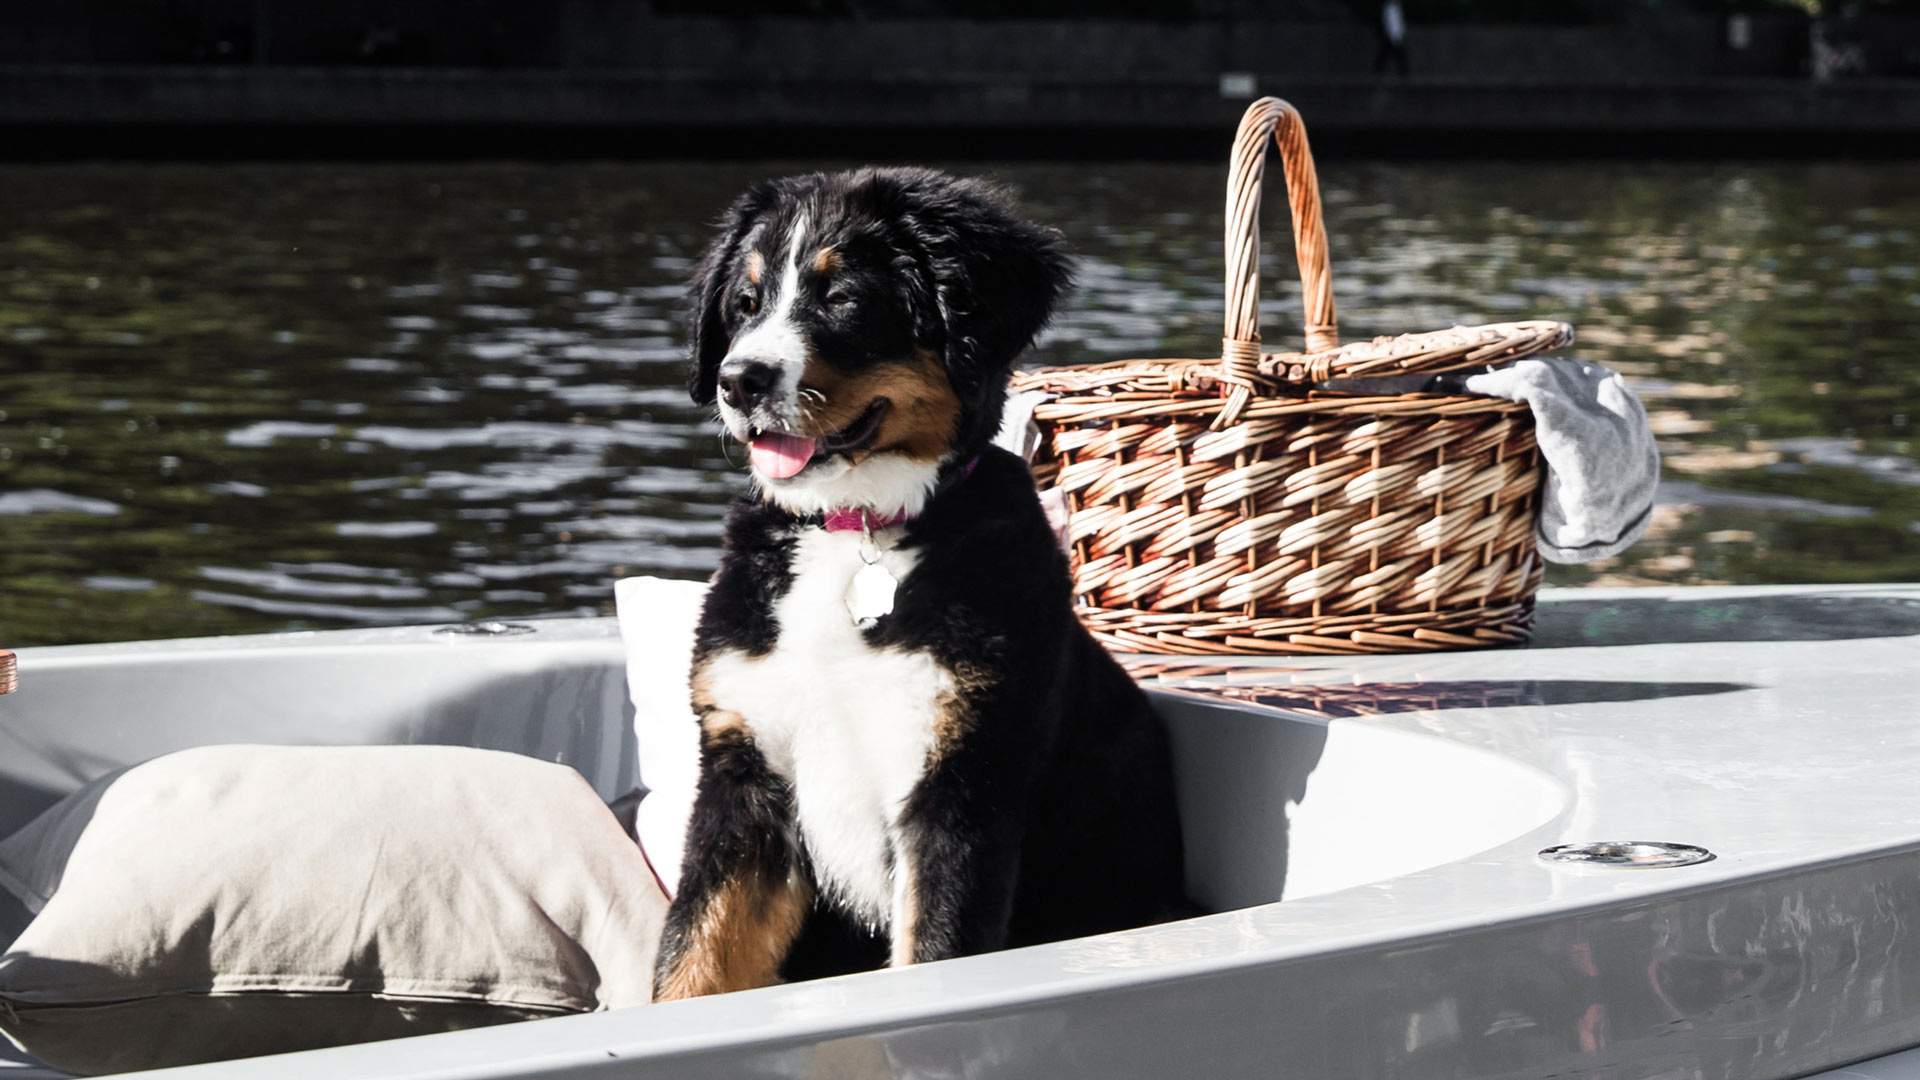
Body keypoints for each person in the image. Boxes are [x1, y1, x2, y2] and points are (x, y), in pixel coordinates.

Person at [1375, 0, 1409, 77]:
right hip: (1392, 36)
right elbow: (1391, 23)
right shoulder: (1390, 8)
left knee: (1386, 54)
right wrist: (1394, 36)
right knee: (1397, 54)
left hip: (1393, 36)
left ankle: (1378, 70)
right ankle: (1404, 72)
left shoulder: (1395, 8)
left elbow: (1398, 23)